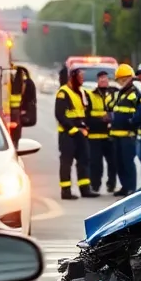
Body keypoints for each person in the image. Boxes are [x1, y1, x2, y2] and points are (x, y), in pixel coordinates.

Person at [56, 65, 97, 200]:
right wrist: (73, 129)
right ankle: (66, 191)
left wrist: (86, 128)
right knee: (66, 162)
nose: (82, 79)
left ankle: (85, 189)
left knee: (84, 160)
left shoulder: (82, 92)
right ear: (72, 77)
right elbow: (60, 115)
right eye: (80, 77)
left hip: (81, 133)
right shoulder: (63, 92)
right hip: (68, 134)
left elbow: (85, 112)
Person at [110, 63, 140, 196]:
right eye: (119, 80)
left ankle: (131, 188)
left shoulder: (134, 94)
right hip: (116, 135)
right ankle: (124, 186)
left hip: (128, 136)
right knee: (119, 163)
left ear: (130, 79)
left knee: (128, 163)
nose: (121, 82)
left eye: (123, 79)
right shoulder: (120, 94)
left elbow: (139, 115)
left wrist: (132, 127)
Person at [87, 71, 117, 194]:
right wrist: (101, 120)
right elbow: (87, 116)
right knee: (95, 164)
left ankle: (111, 184)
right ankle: (95, 185)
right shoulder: (90, 95)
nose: (103, 80)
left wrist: (111, 116)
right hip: (95, 136)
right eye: (101, 78)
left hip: (111, 135)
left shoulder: (115, 93)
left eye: (105, 78)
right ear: (97, 81)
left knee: (113, 162)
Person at [9, 65, 37, 149]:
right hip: (18, 111)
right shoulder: (28, 82)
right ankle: (14, 147)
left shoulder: (9, 79)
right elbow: (32, 98)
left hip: (11, 110)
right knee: (15, 134)